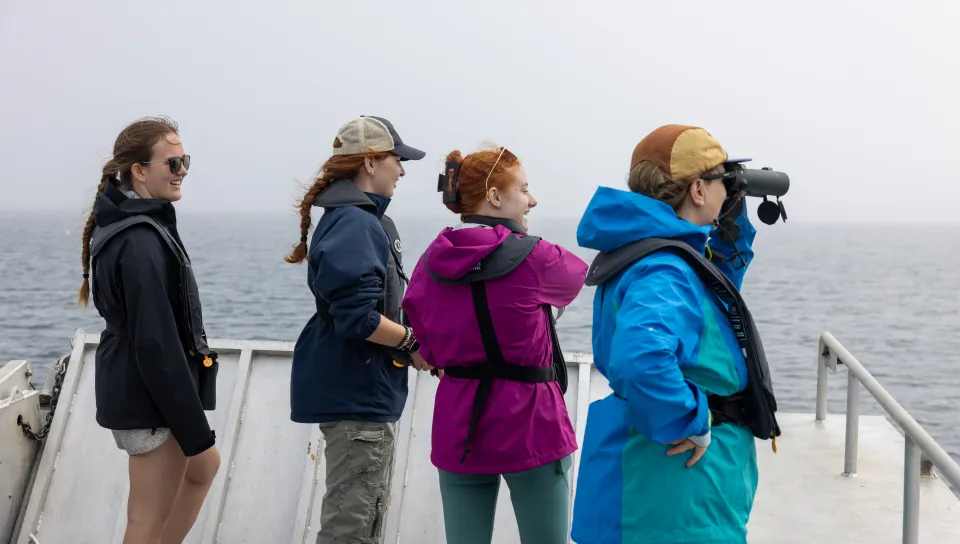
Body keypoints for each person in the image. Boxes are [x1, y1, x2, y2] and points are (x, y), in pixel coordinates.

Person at [571, 124, 772, 544]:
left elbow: (708, 293)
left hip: (658, 485)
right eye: (721, 181)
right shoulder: (664, 268)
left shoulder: (649, 251)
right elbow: (641, 355)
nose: (728, 190)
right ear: (698, 190)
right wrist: (690, 420)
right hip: (675, 490)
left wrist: (733, 226)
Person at [401, 145, 588, 544]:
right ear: (495, 197)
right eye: (523, 189)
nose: (532, 199)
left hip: (460, 422)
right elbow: (576, 278)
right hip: (532, 421)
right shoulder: (536, 256)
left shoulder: (429, 263)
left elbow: (425, 344)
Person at [285, 115, 429, 543]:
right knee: (352, 525)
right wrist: (411, 341)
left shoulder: (360, 219)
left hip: (362, 388)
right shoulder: (356, 222)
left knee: (362, 517)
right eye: (396, 160)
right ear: (369, 162)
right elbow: (358, 318)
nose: (401, 170)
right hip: (358, 392)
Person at [78, 116, 221, 544]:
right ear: (139, 170)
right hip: (150, 394)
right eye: (172, 163)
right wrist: (191, 424)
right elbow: (156, 344)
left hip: (142, 386)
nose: (183, 171)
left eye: (185, 161)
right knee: (146, 518)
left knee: (202, 468)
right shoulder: (138, 241)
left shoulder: (129, 224)